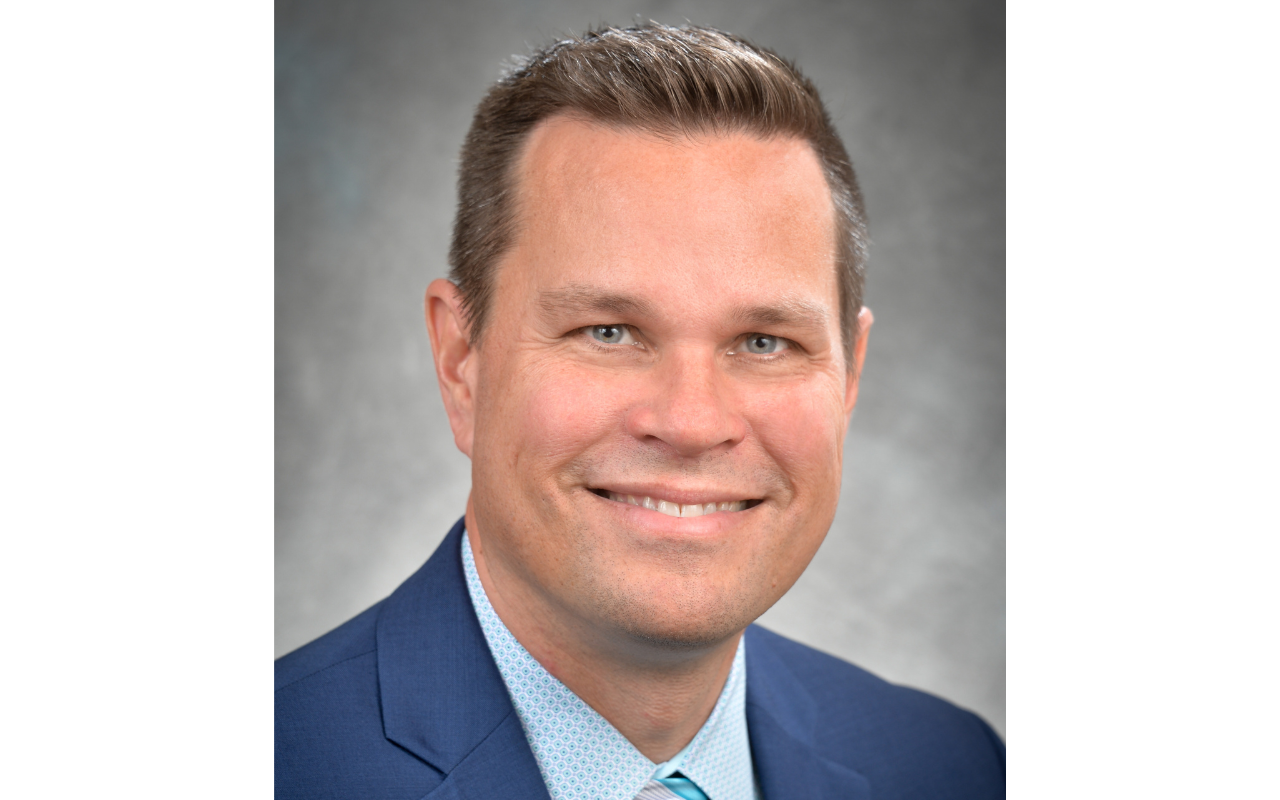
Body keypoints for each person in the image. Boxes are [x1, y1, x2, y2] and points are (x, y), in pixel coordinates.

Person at [275, 22, 1004, 799]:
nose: (691, 422)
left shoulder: (951, 766)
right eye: (609, 332)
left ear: (850, 376)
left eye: (763, 341)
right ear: (462, 363)